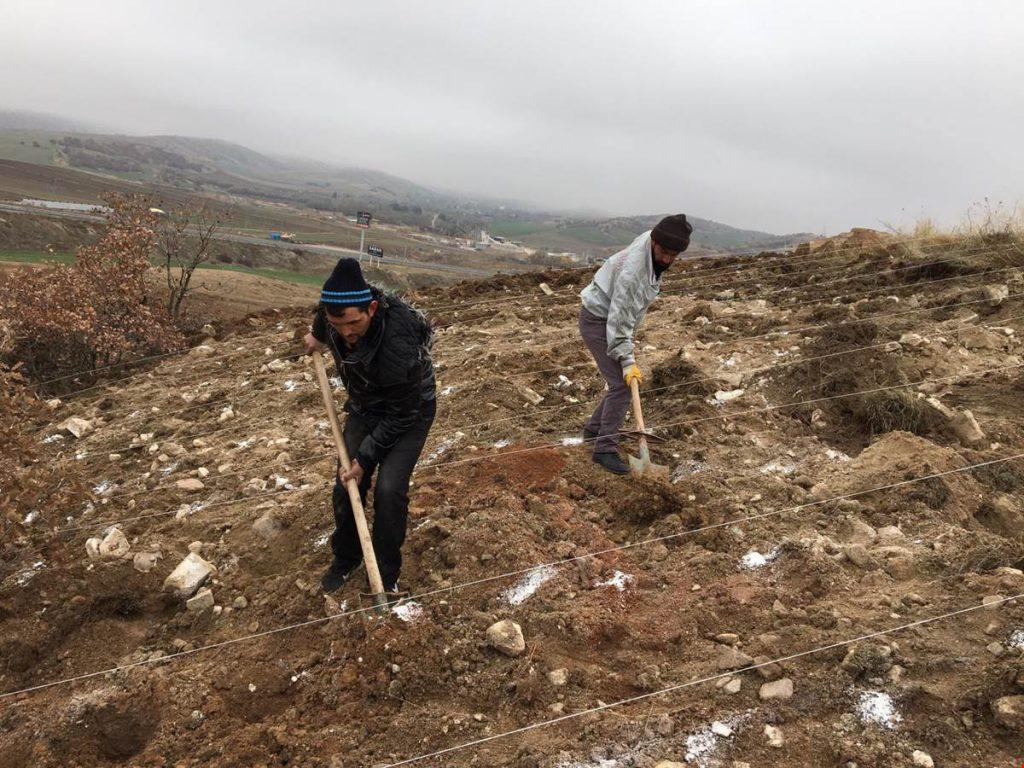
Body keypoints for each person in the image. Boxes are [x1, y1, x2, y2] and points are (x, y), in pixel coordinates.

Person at [303, 257, 436, 593]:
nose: (346, 332)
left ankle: (385, 575)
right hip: (365, 407)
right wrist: (316, 338)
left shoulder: (397, 341)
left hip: (410, 411)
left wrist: (365, 458)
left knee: (390, 489)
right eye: (338, 324)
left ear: (372, 309)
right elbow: (322, 324)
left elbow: (401, 413)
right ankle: (346, 558)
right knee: (346, 485)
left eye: (353, 323)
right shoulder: (332, 317)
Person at [578, 214, 693, 474]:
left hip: (610, 319)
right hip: (598, 320)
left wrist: (626, 351)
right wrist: (627, 359)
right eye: (663, 252)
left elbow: (625, 316)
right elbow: (618, 319)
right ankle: (604, 449)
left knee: (620, 383)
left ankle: (594, 430)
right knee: (622, 386)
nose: (666, 259)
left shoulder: (653, 249)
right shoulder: (633, 272)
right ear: (653, 241)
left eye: (672, 255)